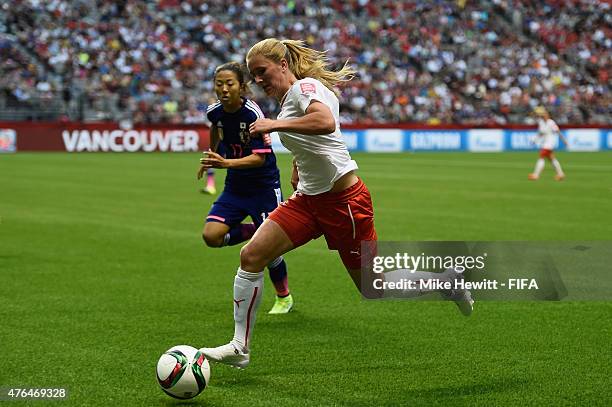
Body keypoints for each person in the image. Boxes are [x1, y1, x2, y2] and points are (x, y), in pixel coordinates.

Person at [200, 39, 473, 369]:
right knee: (252, 255)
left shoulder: (305, 88)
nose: (258, 80)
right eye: (254, 75)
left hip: (345, 204)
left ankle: (445, 282)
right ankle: (239, 347)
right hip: (309, 202)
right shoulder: (290, 100)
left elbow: (324, 122)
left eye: (262, 72)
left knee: (374, 286)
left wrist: (275, 125)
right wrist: (299, 165)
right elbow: (319, 136)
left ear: (282, 65)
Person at [197, 61, 294, 315]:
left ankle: (284, 296)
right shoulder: (214, 112)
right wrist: (212, 154)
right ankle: (256, 231)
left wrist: (224, 162)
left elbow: (259, 158)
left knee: (270, 253)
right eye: (219, 84)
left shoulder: (252, 114)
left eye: (230, 84)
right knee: (211, 236)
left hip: (263, 186)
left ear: (242, 86)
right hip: (236, 186)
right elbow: (215, 129)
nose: (224, 89)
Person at [528, 106, 568, 181]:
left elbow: (558, 132)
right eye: (544, 114)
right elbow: (540, 133)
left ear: (548, 115)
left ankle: (536, 175)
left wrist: (564, 140)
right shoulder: (541, 122)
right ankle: (560, 174)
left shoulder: (551, 123)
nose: (544, 116)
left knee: (541, 156)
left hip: (550, 143)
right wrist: (534, 140)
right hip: (544, 143)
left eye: (546, 114)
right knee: (551, 159)